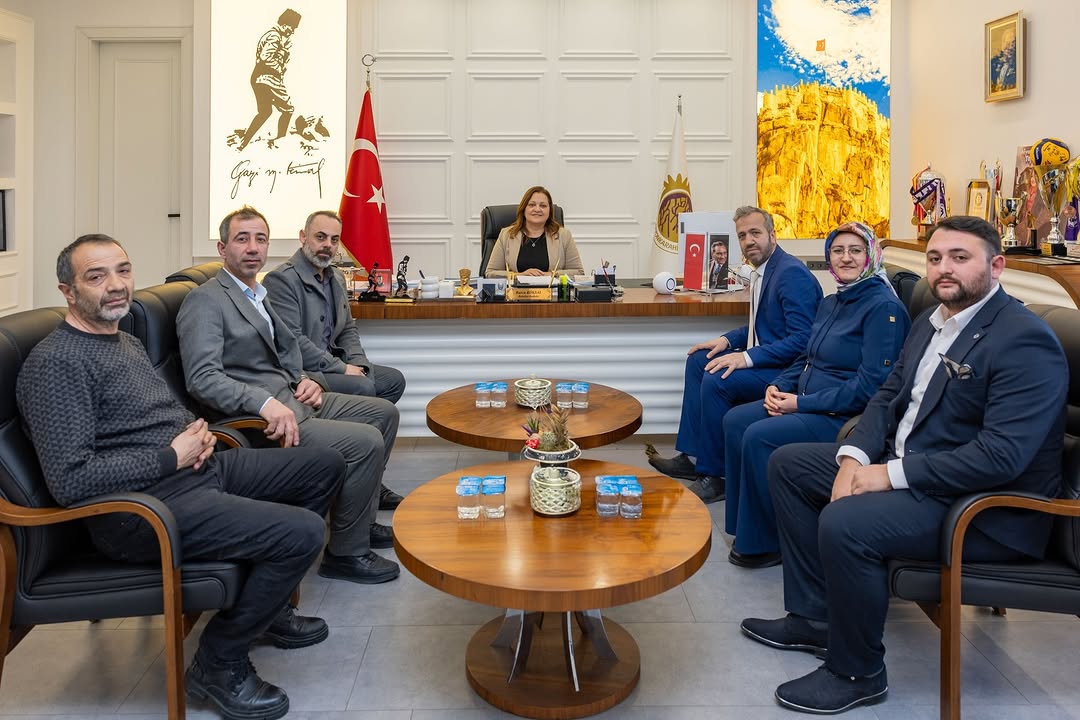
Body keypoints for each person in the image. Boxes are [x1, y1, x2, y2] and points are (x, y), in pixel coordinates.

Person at [742, 215, 1067, 714]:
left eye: (960, 258)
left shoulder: (1024, 339)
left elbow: (1001, 456)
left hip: (983, 511)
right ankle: (815, 618)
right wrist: (853, 456)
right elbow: (887, 397)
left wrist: (884, 475)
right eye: (935, 258)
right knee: (789, 466)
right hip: (917, 471)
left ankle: (858, 671)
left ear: (996, 266)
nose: (944, 269)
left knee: (845, 521)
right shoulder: (932, 321)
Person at [16, 234, 347, 720]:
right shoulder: (57, 364)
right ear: (68, 291)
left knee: (324, 463)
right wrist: (172, 455)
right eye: (96, 276)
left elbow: (154, 419)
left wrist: (201, 435)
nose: (115, 286)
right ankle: (219, 662)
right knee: (303, 533)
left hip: (197, 470)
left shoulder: (123, 340)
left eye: (123, 271)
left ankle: (267, 607)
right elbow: (71, 480)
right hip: (140, 512)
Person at [178, 205, 402, 585]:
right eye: (242, 239)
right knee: (363, 442)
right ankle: (346, 553)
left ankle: (359, 523)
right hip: (263, 419)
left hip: (295, 395)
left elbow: (283, 349)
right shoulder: (206, 300)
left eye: (260, 239)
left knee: (383, 414)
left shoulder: (256, 293)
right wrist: (264, 403)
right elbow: (202, 379)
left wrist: (302, 377)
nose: (253, 248)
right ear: (222, 248)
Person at [721, 222, 910, 569]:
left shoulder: (884, 309)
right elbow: (806, 356)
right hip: (806, 401)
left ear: (871, 255)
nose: (846, 258)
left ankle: (769, 542)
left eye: (855, 251)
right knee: (735, 420)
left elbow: (872, 388)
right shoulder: (833, 301)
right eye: (838, 251)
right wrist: (779, 386)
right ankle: (746, 528)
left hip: (841, 419)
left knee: (759, 436)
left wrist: (799, 403)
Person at [648, 206, 823, 503]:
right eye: (742, 235)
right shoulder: (764, 271)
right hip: (768, 357)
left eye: (755, 233)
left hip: (787, 371)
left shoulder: (791, 274)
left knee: (717, 379)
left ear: (772, 235)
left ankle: (715, 476)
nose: (749, 241)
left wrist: (746, 358)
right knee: (697, 362)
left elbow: (803, 341)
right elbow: (762, 323)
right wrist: (726, 341)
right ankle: (691, 457)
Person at [263, 210, 407, 510]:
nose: (327, 245)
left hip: (334, 362)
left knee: (391, 380)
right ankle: (359, 484)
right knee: (365, 389)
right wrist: (343, 369)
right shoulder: (281, 280)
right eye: (320, 237)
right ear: (303, 238)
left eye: (334, 239)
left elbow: (348, 330)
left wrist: (360, 366)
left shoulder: (336, 277)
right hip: (307, 372)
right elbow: (294, 342)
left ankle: (368, 479)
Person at [484, 186, 584, 278]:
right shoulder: (507, 235)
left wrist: (551, 275)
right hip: (516, 295)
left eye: (543, 206)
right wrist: (518, 275)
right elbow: (490, 273)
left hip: (552, 295)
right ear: (523, 209)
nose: (537, 209)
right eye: (531, 205)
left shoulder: (564, 235)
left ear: (550, 211)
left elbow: (578, 272)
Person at [236, 9, 300, 151]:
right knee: (288, 109)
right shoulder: (274, 36)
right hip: (268, 78)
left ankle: (244, 142)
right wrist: (280, 65)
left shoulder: (275, 37)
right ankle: (280, 142)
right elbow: (267, 58)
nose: (293, 31)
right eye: (292, 27)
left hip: (258, 78)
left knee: (265, 112)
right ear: (285, 24)